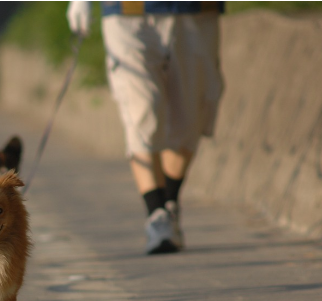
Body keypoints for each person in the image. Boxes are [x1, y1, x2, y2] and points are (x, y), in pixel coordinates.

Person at [67, 1, 224, 254]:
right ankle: (157, 215)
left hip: (196, 11)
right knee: (142, 110)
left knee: (189, 120)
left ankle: (169, 202)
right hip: (127, 13)